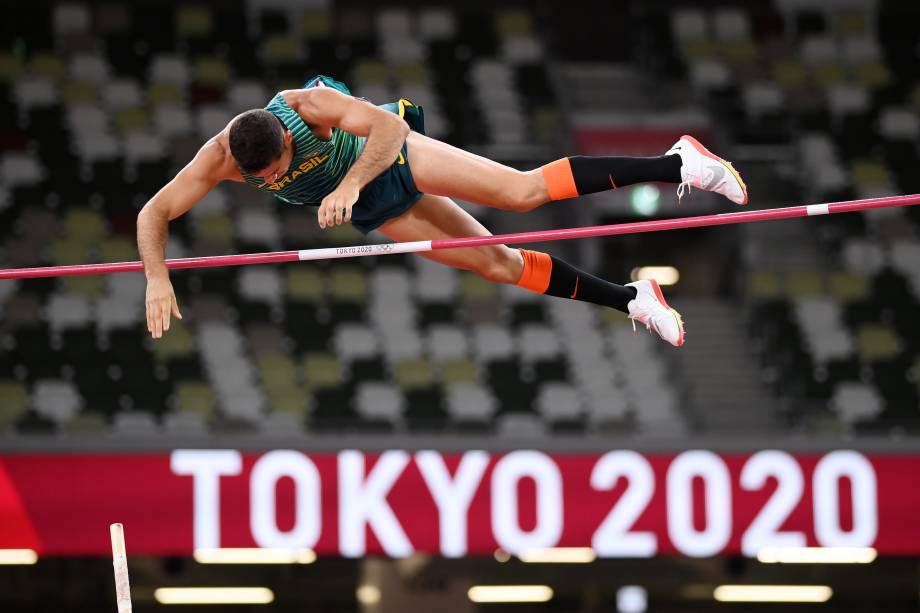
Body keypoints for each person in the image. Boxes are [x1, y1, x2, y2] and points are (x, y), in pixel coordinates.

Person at [138, 75, 747, 347]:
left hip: (386, 157)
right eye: (261, 179)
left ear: (288, 136)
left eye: (275, 168)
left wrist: (349, 184)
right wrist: (158, 277)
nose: (268, 182)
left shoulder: (308, 107)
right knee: (500, 267)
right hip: (372, 207)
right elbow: (153, 213)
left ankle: (677, 164)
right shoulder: (219, 157)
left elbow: (387, 124)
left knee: (521, 192)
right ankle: (632, 299)